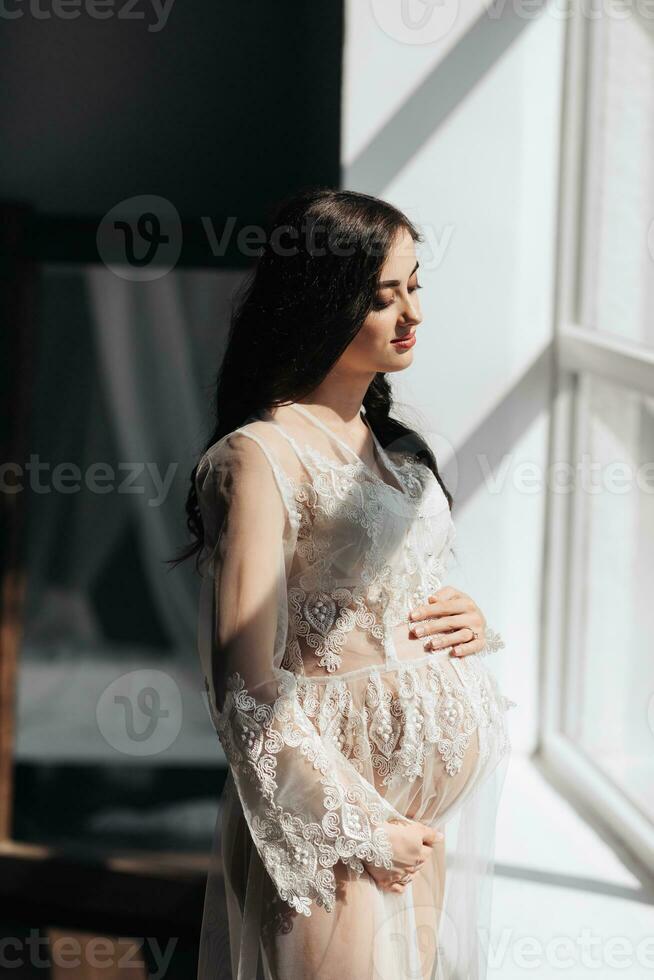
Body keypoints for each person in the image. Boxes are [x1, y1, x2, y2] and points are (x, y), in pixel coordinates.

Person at [175, 188, 516, 979]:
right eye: (382, 295)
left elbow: (386, 596)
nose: (412, 314)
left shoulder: (395, 452)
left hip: (417, 822)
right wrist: (361, 828)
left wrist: (465, 619)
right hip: (332, 824)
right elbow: (246, 688)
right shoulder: (257, 457)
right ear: (322, 300)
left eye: (415, 285)